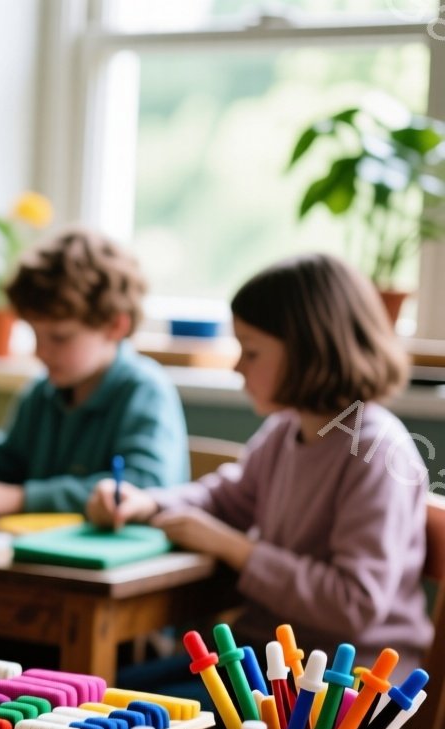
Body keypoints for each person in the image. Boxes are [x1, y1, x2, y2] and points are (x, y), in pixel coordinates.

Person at [90, 253, 428, 668]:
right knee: (115, 692)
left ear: (310, 352)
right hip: (266, 660)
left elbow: (353, 602)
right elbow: (224, 499)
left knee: (125, 709)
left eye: (251, 352)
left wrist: (237, 549)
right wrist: (148, 503)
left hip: (339, 684)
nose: (237, 366)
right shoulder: (285, 431)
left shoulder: (377, 451)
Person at [0, 228, 188, 516]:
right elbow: (5, 462)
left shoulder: (145, 391)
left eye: (60, 337)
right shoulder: (42, 391)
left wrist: (22, 499)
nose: (40, 352)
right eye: (34, 334)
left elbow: (143, 486)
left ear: (116, 327)